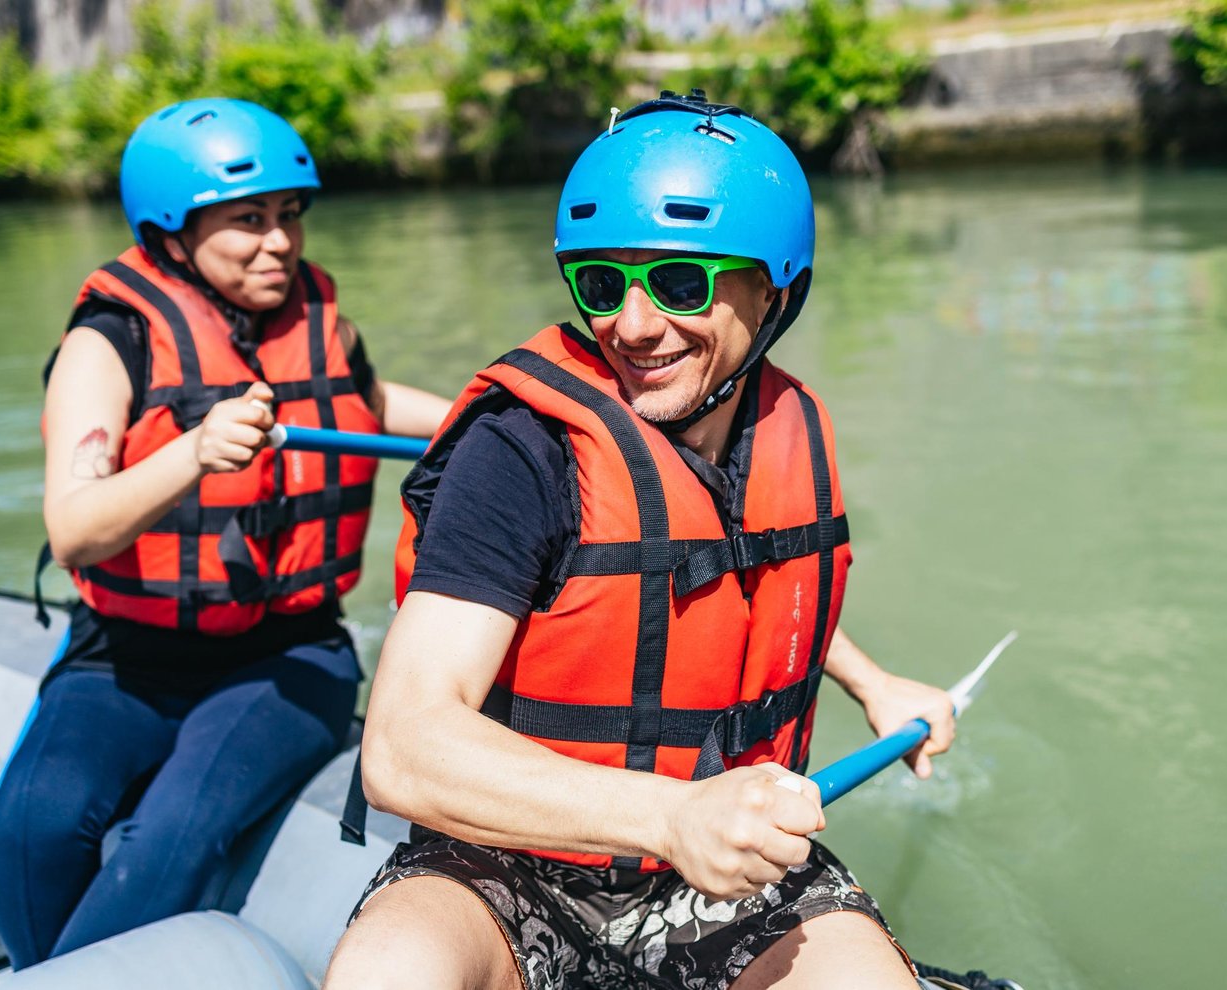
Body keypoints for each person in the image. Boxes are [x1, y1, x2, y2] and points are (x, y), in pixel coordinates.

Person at [323, 91, 958, 990]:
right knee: (387, 972)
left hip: (721, 875)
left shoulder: (780, 432)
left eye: (680, 282)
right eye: (601, 283)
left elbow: (748, 592)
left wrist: (874, 682)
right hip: (510, 861)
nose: (632, 324)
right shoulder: (520, 451)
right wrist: (668, 818)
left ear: (774, 288)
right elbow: (402, 742)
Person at [0, 97, 449, 968]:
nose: (279, 242)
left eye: (288, 216)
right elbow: (76, 531)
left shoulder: (317, 320)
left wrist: (493, 419)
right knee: (30, 827)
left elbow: (367, 407)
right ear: (170, 232)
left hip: (289, 655)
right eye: (247, 222)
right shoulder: (109, 340)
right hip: (126, 654)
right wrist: (194, 454)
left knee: (172, 835)